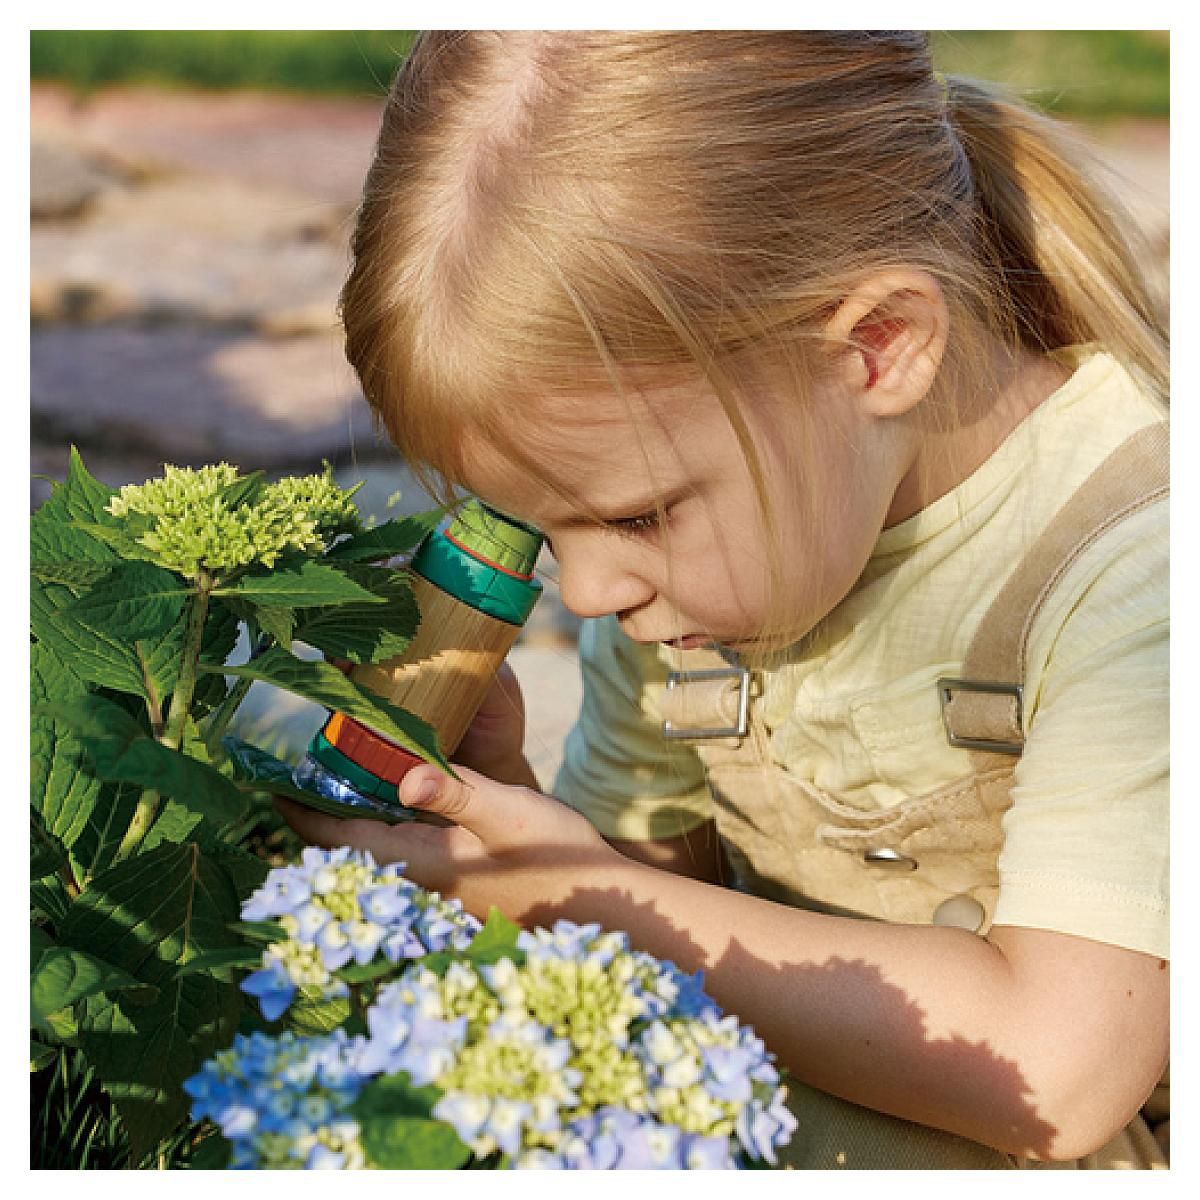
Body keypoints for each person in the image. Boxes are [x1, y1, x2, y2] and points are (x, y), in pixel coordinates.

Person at [280, 31, 1168, 1169]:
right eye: (546, 528)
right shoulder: (709, 585)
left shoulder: (1135, 570)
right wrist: (517, 824)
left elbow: (1060, 1071)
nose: (589, 592)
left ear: (880, 348)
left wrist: (571, 892)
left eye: (638, 515)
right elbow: (672, 913)